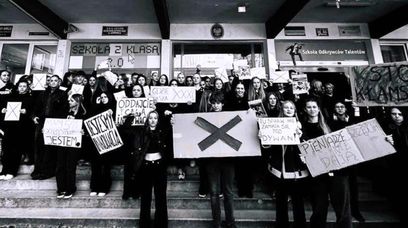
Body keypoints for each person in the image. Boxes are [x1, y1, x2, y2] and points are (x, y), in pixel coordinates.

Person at [301, 98, 352, 228]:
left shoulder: (331, 124)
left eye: (314, 107)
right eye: (309, 107)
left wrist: (356, 109)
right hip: (317, 173)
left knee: (342, 207)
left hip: (337, 171)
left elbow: (349, 133)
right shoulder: (302, 127)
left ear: (318, 109)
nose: (312, 109)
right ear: (305, 110)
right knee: (319, 207)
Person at [262, 100, 308, 228]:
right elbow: (268, 148)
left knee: (298, 203)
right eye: (286, 108)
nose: (288, 110)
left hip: (296, 172)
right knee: (281, 204)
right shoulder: (274, 125)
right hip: (279, 171)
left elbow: (307, 146)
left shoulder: (301, 125)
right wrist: (264, 138)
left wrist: (301, 137)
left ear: (295, 110)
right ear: (282, 110)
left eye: (291, 108)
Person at [328, 101, 365, 223]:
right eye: (337, 107)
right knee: (342, 188)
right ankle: (343, 214)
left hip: (352, 157)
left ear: (345, 108)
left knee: (353, 187)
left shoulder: (351, 119)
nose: (339, 109)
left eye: (342, 107)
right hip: (338, 158)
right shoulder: (330, 121)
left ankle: (356, 211)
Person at [204, 92, 236, 228]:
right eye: (214, 103)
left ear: (222, 104)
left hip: (228, 160)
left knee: (228, 192)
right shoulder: (205, 118)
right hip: (211, 161)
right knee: (214, 193)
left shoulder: (230, 117)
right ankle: (216, 223)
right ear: (211, 104)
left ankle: (230, 222)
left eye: (219, 103)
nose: (216, 105)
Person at [139, 111, 170, 228]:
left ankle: (161, 224)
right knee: (145, 197)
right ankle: (144, 224)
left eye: (155, 118)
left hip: (159, 167)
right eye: (150, 118)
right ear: (147, 119)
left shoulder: (162, 132)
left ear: (158, 120)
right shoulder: (142, 132)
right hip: (146, 167)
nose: (153, 120)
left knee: (160, 196)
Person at [0, 80, 34, 180]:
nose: (22, 88)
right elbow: (3, 108)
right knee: (6, 150)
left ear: (27, 88)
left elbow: (33, 112)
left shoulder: (30, 98)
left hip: (21, 128)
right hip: (9, 126)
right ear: (17, 87)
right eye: (20, 86)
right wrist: (3, 110)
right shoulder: (10, 97)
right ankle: (4, 171)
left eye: (24, 86)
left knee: (16, 151)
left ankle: (12, 171)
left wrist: (26, 111)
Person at [55, 94, 86, 199]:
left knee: (70, 167)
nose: (69, 102)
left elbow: (85, 128)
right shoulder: (64, 111)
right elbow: (56, 124)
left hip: (74, 144)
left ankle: (70, 188)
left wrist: (83, 131)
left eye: (72, 100)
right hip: (62, 142)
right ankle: (61, 189)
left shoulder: (83, 114)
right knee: (60, 166)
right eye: (69, 100)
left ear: (77, 102)